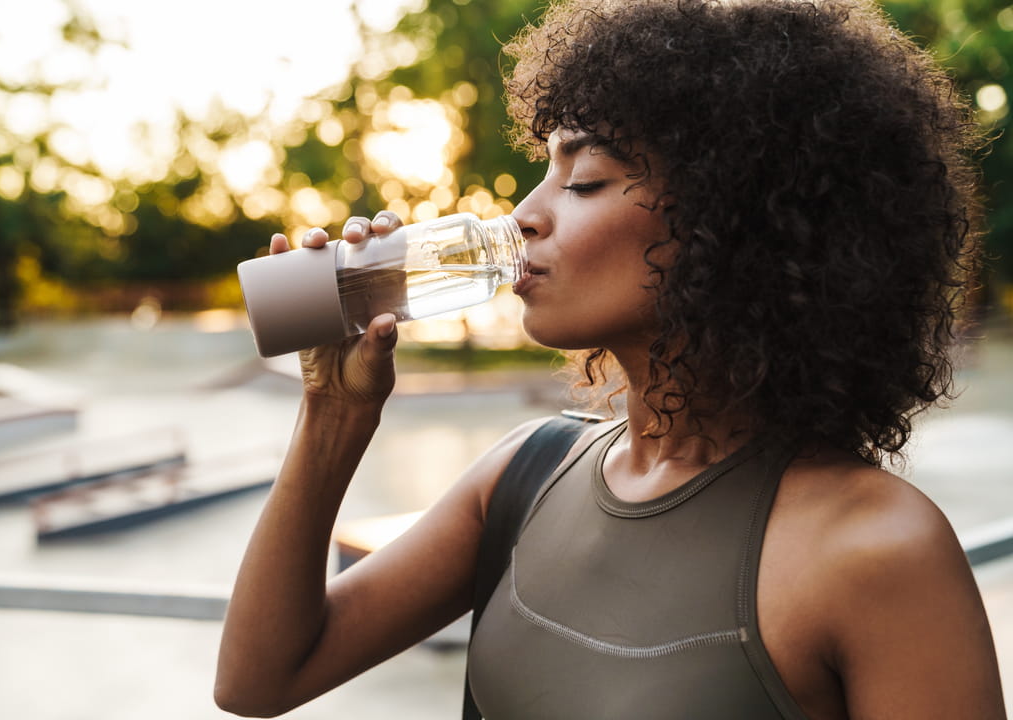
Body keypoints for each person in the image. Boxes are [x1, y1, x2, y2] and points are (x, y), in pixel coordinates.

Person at [214, 0, 1007, 717]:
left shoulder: (879, 551)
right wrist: (335, 411)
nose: (524, 214)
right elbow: (259, 681)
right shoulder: (525, 476)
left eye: (585, 178)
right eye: (546, 169)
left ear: (735, 224)